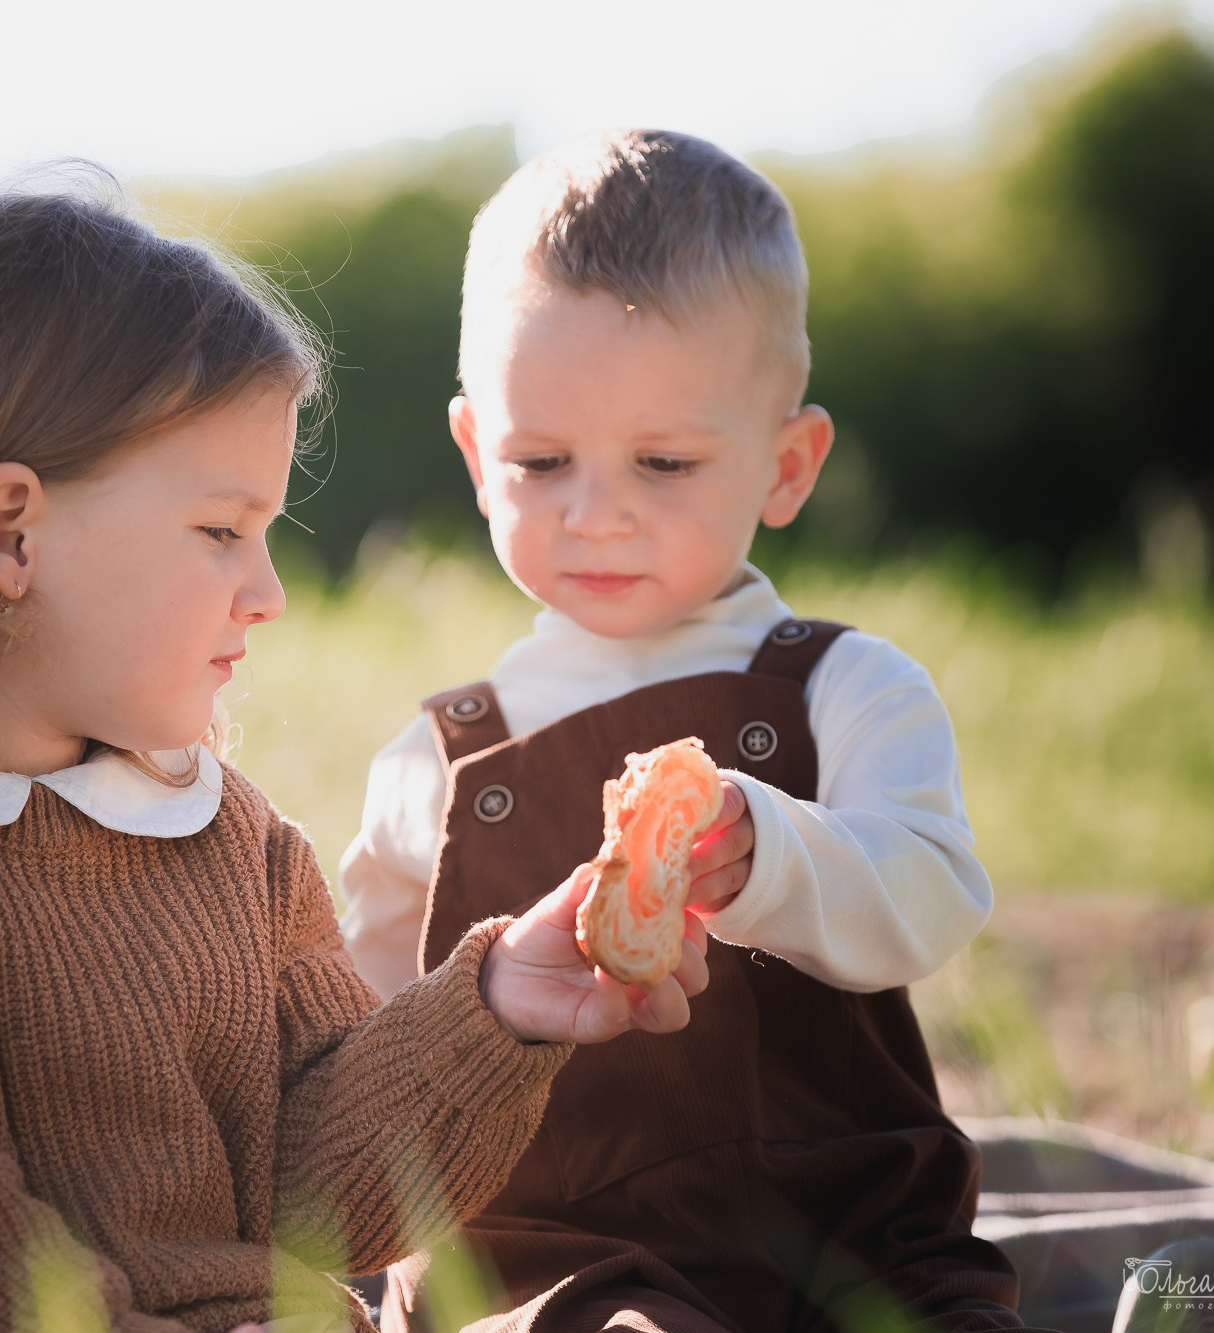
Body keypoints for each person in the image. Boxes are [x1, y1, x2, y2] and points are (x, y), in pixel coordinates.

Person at [0, 179, 714, 1333]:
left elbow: (306, 1188)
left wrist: (500, 1002)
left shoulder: (217, 831)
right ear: (10, 534)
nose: (263, 594)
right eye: (220, 532)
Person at [338, 131, 1051, 1333]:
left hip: (852, 1225)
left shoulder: (842, 688)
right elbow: (359, 1022)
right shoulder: (440, 760)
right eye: (540, 460)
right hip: (545, 1248)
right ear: (474, 454)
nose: (596, 512)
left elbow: (926, 896)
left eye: (662, 462)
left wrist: (766, 847)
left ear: (786, 464)